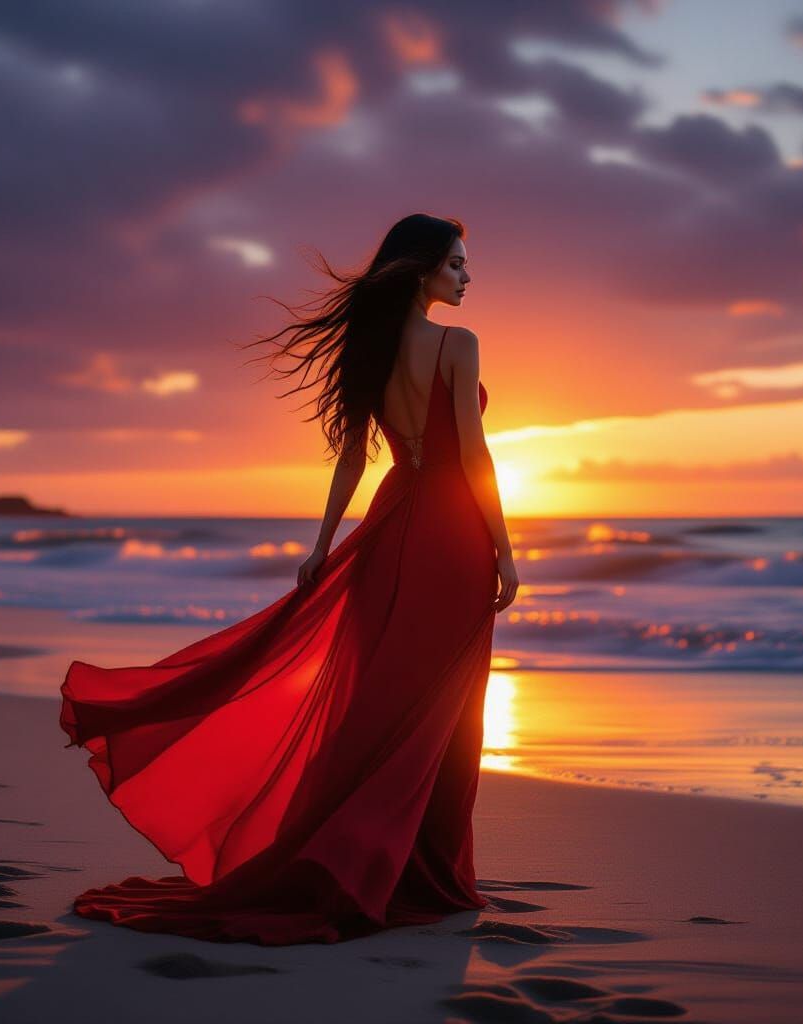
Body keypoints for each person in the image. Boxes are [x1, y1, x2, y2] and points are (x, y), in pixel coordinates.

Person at [59, 213, 518, 946]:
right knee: (449, 712)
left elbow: (352, 459)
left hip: (389, 523)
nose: (467, 278)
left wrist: (323, 544)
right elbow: (475, 458)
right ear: (423, 269)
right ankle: (421, 869)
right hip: (451, 536)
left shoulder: (369, 347)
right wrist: (505, 549)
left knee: (378, 699)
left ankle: (361, 857)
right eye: (458, 264)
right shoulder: (458, 345)